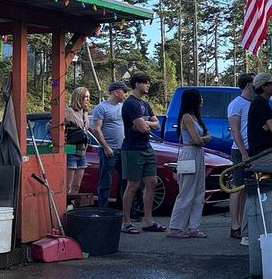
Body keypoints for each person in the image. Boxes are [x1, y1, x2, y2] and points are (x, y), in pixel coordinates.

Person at [120, 72, 166, 235]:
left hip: (146, 147)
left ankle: (149, 221)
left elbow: (156, 124)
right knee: (132, 185)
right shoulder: (130, 103)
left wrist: (144, 122)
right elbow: (144, 128)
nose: (148, 85)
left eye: (149, 82)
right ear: (136, 84)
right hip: (132, 148)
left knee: (152, 182)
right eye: (145, 83)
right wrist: (146, 124)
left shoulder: (145, 104)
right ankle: (126, 222)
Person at [167, 88, 211, 239]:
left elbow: (204, 138)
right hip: (190, 153)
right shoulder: (186, 117)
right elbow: (198, 140)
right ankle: (175, 226)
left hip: (198, 153)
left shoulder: (195, 117)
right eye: (200, 98)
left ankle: (193, 226)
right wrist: (201, 139)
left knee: (199, 191)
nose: (202, 101)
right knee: (186, 191)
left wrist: (201, 139)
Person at [90, 81, 129, 208]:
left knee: (126, 180)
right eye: (124, 92)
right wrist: (106, 147)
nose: (125, 94)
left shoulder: (122, 107)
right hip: (109, 150)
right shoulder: (101, 108)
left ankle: (127, 210)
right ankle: (103, 209)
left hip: (123, 149)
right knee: (106, 181)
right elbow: (97, 129)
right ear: (116, 92)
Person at [228, 73, 254, 246]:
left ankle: (244, 222)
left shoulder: (253, 103)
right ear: (247, 85)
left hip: (252, 148)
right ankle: (234, 224)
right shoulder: (236, 104)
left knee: (246, 188)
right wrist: (243, 152)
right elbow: (235, 130)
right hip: (240, 150)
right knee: (237, 187)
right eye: (253, 82)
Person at [64, 86, 91, 194]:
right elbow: (51, 125)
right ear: (79, 97)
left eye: (89, 97)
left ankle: (72, 207)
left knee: (77, 185)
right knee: (67, 185)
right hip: (70, 149)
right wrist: (64, 137)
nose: (88, 99)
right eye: (86, 97)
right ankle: (64, 206)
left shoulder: (85, 113)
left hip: (82, 151)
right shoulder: (69, 112)